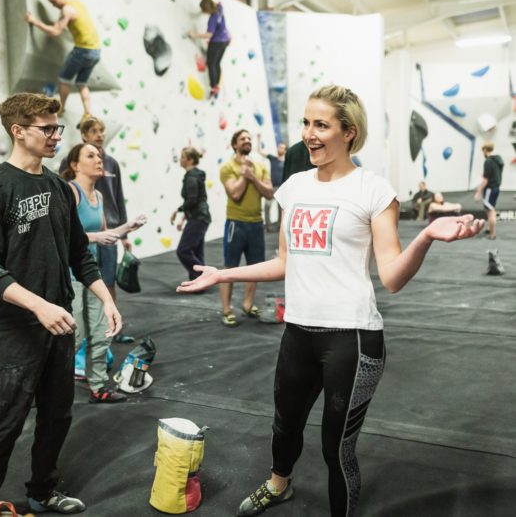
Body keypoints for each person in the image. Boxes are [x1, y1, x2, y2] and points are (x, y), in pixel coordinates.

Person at [177, 85, 484, 517]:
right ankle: (278, 484)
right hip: (299, 332)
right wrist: (222, 273)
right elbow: (285, 261)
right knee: (284, 426)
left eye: (321, 124)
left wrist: (428, 236)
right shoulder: (294, 188)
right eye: (306, 122)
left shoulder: (374, 191)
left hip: (352, 339)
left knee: (335, 446)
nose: (309, 133)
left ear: (349, 133)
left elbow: (392, 277)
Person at [0, 93, 123, 516]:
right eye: (46, 128)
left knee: (57, 416)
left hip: (61, 323)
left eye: (56, 128)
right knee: (5, 424)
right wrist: (38, 306)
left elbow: (78, 253)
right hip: (18, 328)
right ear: (19, 131)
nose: (54, 136)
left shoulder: (57, 188)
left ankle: (43, 490)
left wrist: (106, 299)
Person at [62, 143, 146, 403]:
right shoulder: (70, 192)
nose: (99, 160)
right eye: (90, 156)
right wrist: (97, 236)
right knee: (72, 336)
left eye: (99, 155)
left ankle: (98, 386)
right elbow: (62, 235)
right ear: (75, 165)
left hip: (92, 273)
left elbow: (106, 234)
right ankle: (50, 387)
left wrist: (127, 228)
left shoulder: (98, 196)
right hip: (71, 276)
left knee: (101, 333)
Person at [59, 117, 133, 343]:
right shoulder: (71, 172)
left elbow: (118, 198)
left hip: (107, 229)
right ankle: (81, 344)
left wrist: (124, 233)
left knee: (107, 281)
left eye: (102, 131)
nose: (100, 134)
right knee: (80, 292)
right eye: (95, 131)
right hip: (86, 236)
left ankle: (111, 326)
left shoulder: (111, 164)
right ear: (84, 135)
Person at [219, 130, 273, 327]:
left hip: (256, 224)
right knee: (230, 268)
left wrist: (252, 176)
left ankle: (248, 305)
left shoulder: (259, 166)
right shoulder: (227, 167)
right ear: (235, 144)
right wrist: (244, 176)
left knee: (255, 268)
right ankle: (226, 310)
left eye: (249, 138)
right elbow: (234, 194)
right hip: (236, 223)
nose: (247, 141)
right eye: (243, 139)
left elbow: (269, 193)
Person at [25, 0, 101, 117]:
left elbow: (55, 32)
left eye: (54, 1)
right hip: (96, 51)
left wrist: (34, 21)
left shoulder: (67, 10)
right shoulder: (77, 3)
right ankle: (88, 113)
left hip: (83, 50)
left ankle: (62, 109)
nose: (54, 6)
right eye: (51, 3)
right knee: (82, 83)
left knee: (64, 80)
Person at [170, 147, 212, 282]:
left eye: (183, 157)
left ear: (189, 160)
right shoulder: (194, 175)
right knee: (197, 252)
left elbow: (192, 200)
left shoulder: (192, 177)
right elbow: (195, 200)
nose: (180, 159)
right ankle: (200, 283)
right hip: (200, 217)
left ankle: (206, 276)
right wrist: (183, 218)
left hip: (198, 218)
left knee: (183, 251)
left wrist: (178, 210)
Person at [188, 0, 231, 99]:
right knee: (217, 63)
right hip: (225, 40)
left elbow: (209, 35)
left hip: (216, 43)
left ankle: (213, 87)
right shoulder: (219, 7)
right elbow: (218, 2)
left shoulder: (212, 18)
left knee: (211, 64)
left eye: (204, 11)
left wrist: (194, 35)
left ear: (207, 9)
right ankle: (217, 86)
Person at [256, 133, 287, 232]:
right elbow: (259, 151)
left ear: (285, 150)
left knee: (280, 208)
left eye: (281, 148)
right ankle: (268, 226)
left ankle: (279, 225)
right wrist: (258, 139)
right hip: (272, 187)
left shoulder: (286, 162)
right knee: (267, 206)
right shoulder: (273, 159)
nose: (279, 149)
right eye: (278, 147)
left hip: (282, 188)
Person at [474, 141, 504, 240]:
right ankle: (489, 228)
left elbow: (485, 180)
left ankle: (492, 235)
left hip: (490, 189)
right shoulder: (498, 160)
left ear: (485, 150)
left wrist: (478, 192)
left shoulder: (488, 161)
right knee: (490, 210)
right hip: (496, 188)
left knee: (490, 212)